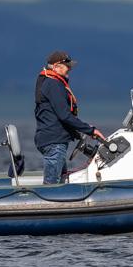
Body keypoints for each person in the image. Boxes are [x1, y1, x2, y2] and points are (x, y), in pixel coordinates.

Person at [34, 50, 103, 185]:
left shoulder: (49, 83)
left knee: (60, 181)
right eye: (67, 66)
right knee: (51, 185)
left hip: (52, 140)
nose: (70, 69)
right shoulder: (53, 84)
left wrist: (77, 134)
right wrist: (91, 130)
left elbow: (58, 116)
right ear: (56, 67)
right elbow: (64, 115)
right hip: (54, 142)